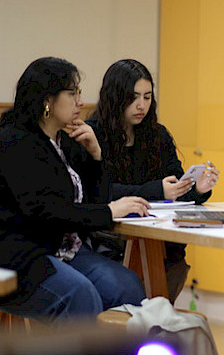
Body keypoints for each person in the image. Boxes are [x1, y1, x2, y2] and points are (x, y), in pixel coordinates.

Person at [0, 57, 149, 323]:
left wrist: (96, 156)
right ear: (48, 100)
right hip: (22, 254)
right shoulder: (14, 141)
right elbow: (47, 211)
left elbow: (97, 198)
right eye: (73, 93)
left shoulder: (66, 140)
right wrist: (108, 211)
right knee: (80, 296)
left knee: (127, 286)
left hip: (64, 249)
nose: (80, 101)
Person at [88, 59, 220, 302]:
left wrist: (197, 189)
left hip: (159, 241)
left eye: (147, 97)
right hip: (109, 238)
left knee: (170, 265)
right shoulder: (92, 134)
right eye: (134, 97)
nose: (141, 105)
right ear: (115, 96)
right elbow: (97, 191)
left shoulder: (157, 135)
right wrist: (155, 191)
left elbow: (175, 187)